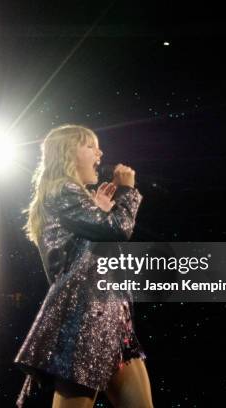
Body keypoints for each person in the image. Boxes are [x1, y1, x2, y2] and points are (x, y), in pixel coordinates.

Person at [14, 124, 153, 408]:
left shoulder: (74, 198)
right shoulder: (62, 190)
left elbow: (91, 249)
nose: (99, 153)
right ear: (67, 152)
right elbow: (118, 228)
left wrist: (98, 209)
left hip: (112, 321)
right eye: (90, 145)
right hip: (84, 317)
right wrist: (127, 192)